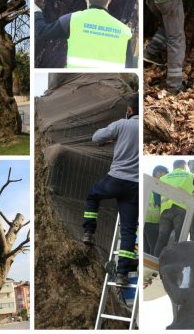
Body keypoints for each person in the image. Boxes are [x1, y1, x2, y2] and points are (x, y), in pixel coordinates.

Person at [82, 94, 140, 286]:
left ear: (130, 110)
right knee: (128, 230)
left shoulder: (122, 124)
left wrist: (114, 135)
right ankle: (122, 273)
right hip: (135, 187)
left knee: (93, 195)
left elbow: (96, 137)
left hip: (116, 179)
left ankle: (89, 232)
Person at [35, 0, 133, 68]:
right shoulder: (125, 31)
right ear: (109, 0)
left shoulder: (72, 20)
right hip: (111, 85)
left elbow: (41, 32)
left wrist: (36, 12)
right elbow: (130, 68)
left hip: (77, 84)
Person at [153, 160, 194, 257]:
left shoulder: (163, 178)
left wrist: (160, 204)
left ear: (173, 167)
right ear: (184, 166)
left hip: (165, 211)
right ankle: (178, 262)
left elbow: (156, 195)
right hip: (181, 210)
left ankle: (155, 262)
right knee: (180, 240)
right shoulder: (189, 175)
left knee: (162, 239)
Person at [143, 165, 169, 254]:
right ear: (158, 174)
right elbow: (158, 202)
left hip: (144, 221)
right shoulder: (156, 185)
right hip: (153, 221)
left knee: (146, 249)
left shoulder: (146, 183)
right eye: (165, 175)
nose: (165, 179)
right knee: (154, 248)